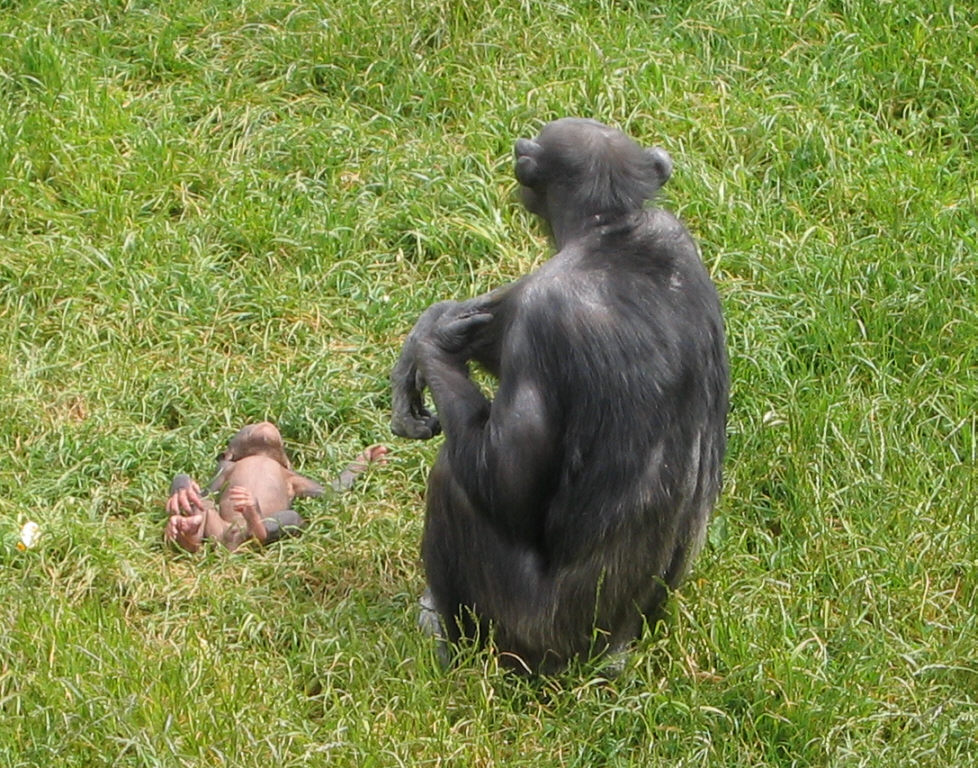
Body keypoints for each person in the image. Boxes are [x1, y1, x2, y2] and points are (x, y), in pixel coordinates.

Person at [165, 421, 387, 552]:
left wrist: (360, 463)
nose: (263, 424)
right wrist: (181, 485)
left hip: (262, 524)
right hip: (223, 526)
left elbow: (331, 493)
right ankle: (192, 532)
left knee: (292, 517)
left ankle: (257, 529)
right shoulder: (230, 466)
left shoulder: (288, 475)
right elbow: (203, 493)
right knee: (197, 501)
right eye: (251, 427)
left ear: (285, 460)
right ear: (230, 452)